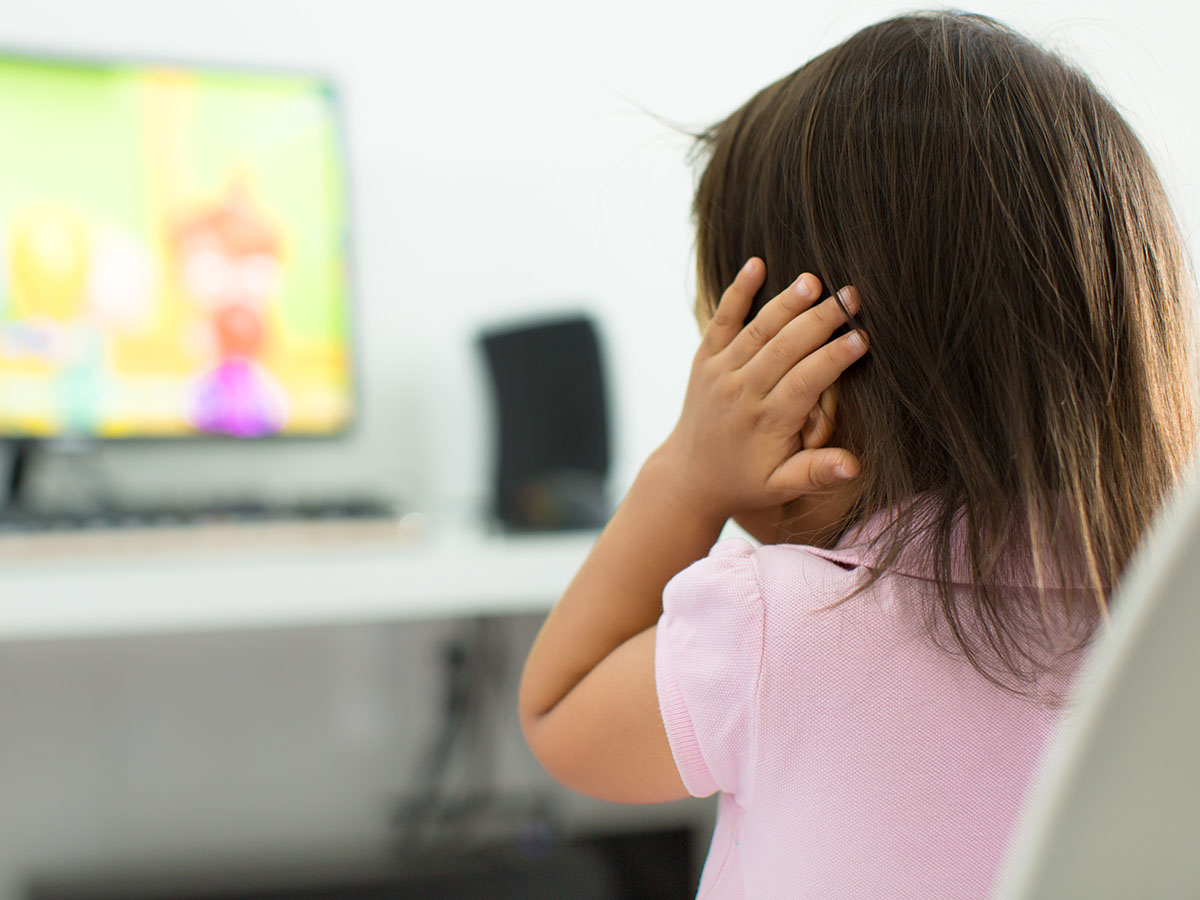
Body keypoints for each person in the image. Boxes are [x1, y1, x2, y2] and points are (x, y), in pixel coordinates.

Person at [518, 10, 1198, 899]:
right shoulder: (1160, 634)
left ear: (814, 403)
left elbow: (558, 712)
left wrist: (689, 473)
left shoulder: (773, 628)